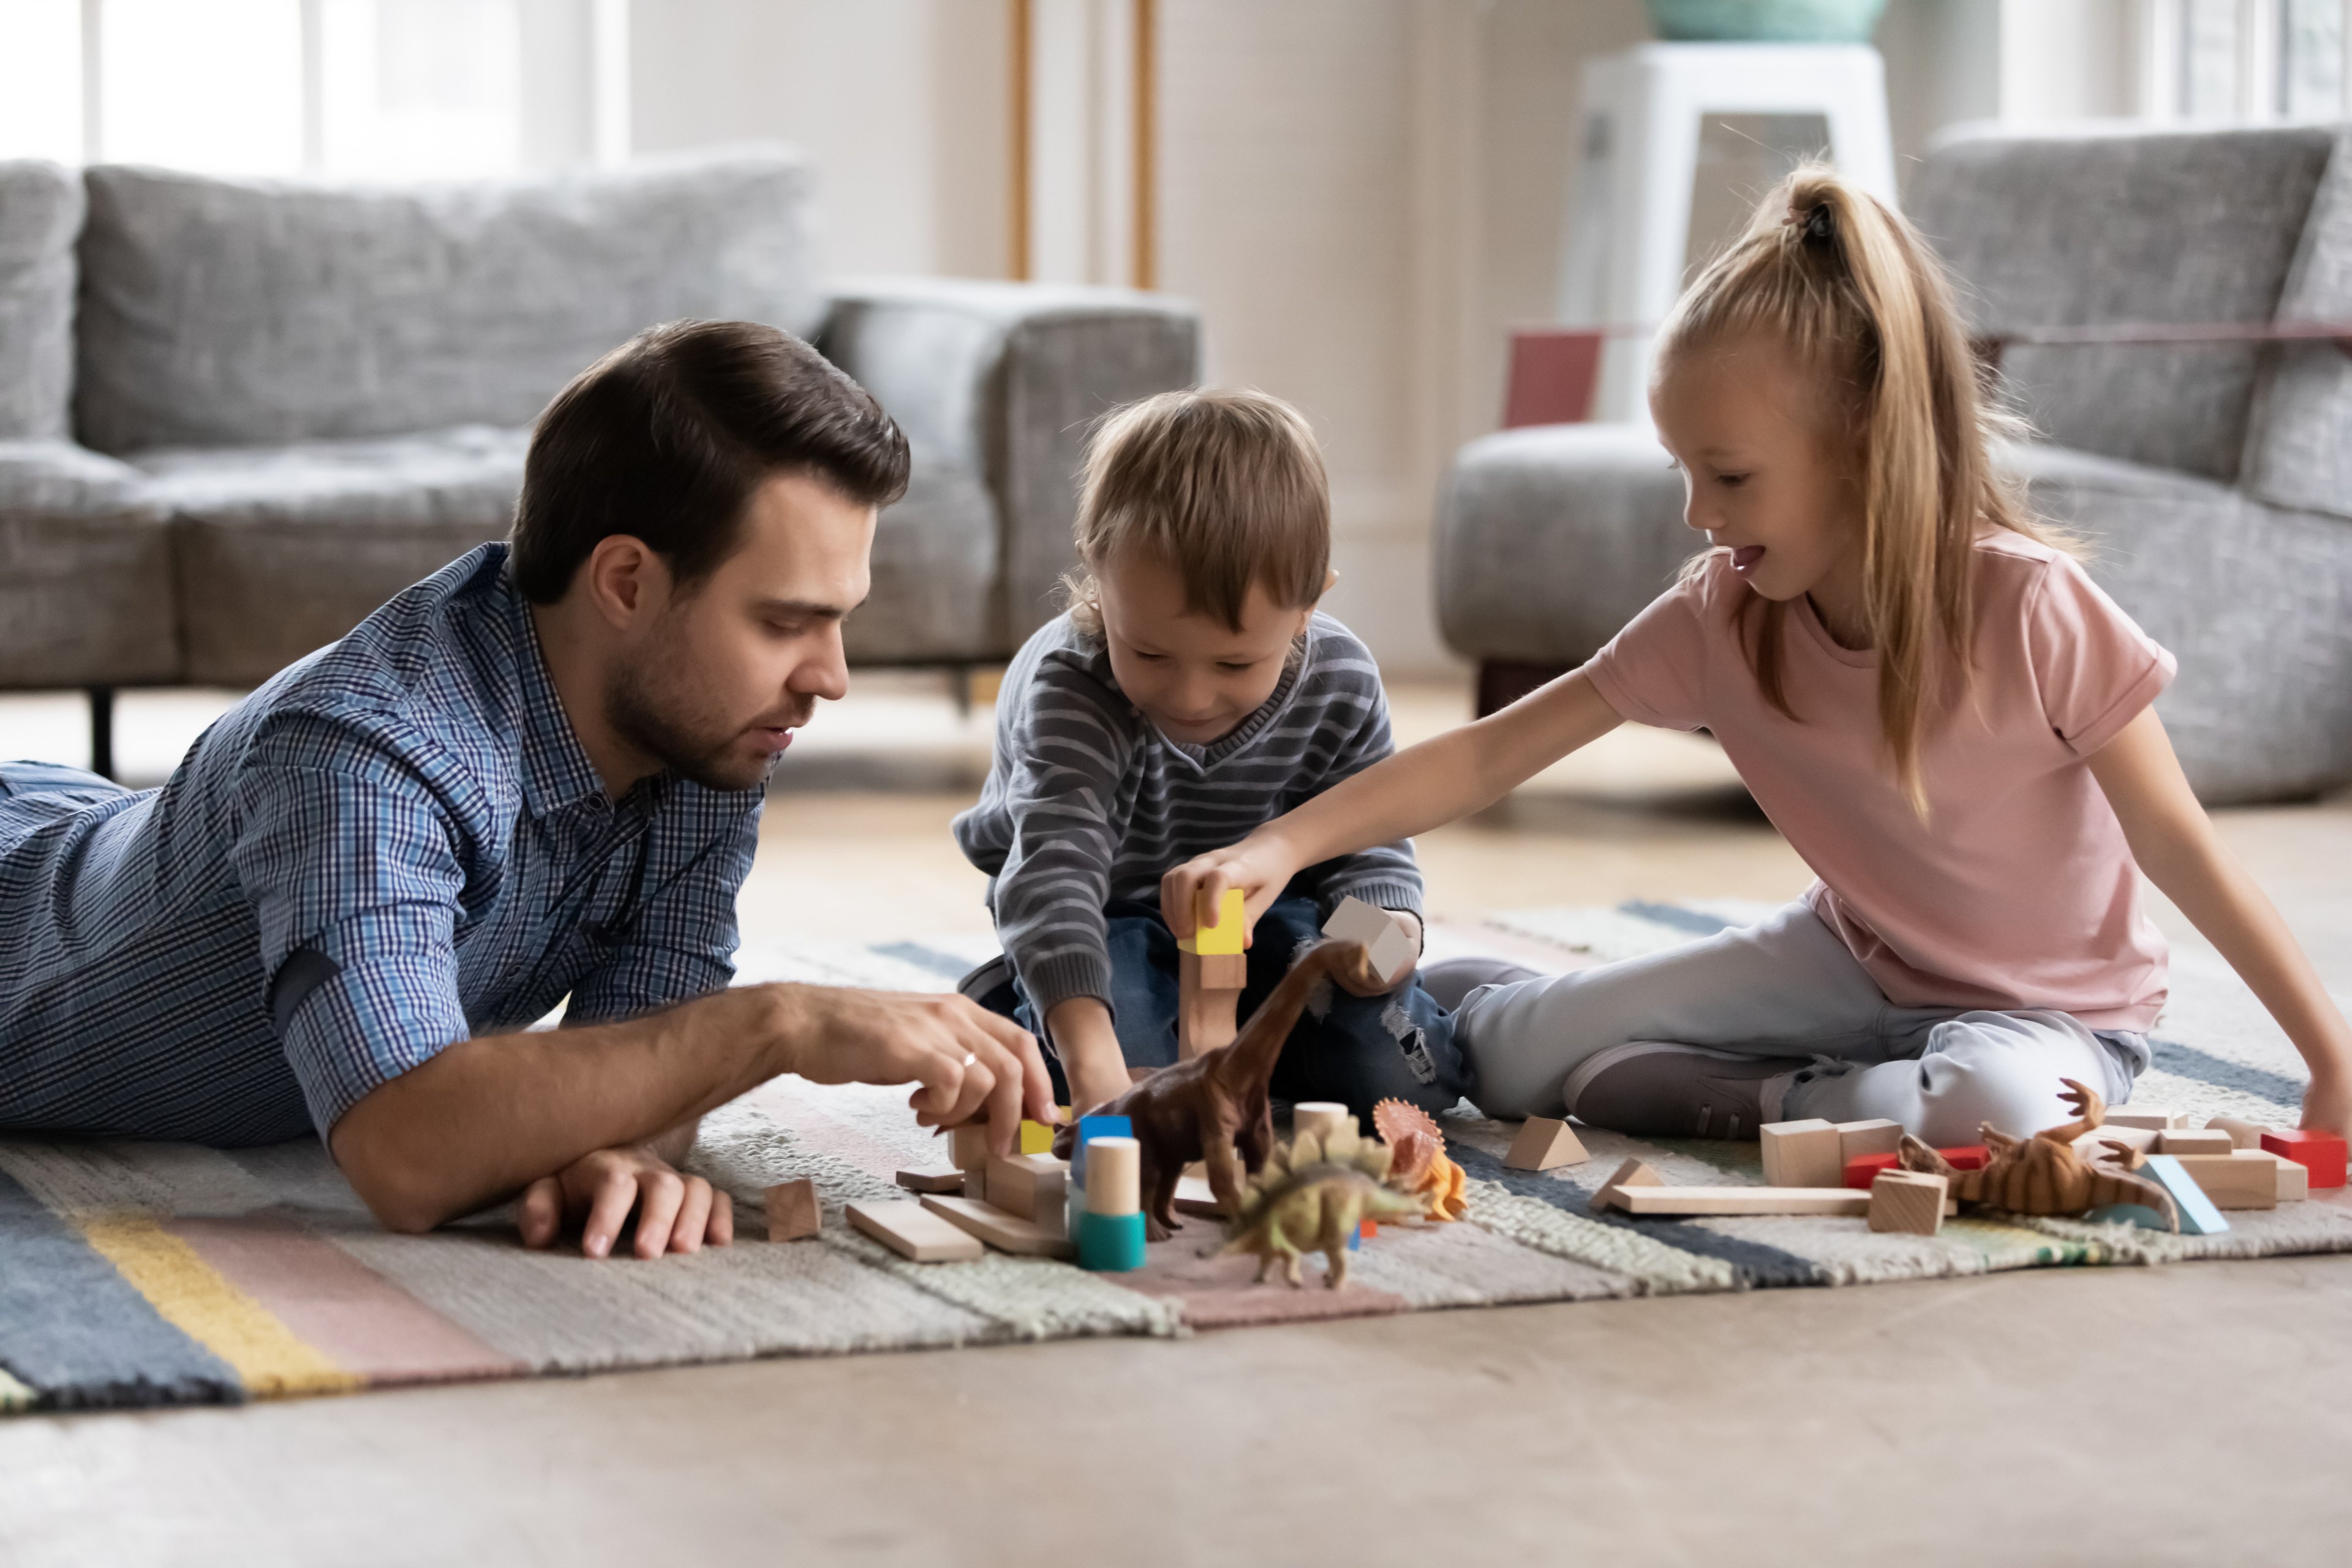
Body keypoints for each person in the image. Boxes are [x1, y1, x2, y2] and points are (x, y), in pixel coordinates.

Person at [1161, 167, 2352, 1146]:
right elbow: (1495, 752)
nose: (1697, 511)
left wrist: (2328, 1053)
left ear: (1865, 442)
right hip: (1851, 960)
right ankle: (1546, 1011)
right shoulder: (1725, 613)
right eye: (1684, 469)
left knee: (2006, 1117)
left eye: (1728, 475)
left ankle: (1759, 1099)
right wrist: (1282, 843)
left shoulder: (2031, 606)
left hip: (2053, 1017)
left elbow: (2178, 842)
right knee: (1501, 1061)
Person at [0, 320, 1054, 1258]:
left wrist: (611, 1150)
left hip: (86, 827)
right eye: (784, 622)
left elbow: (649, 1023)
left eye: (839, 619)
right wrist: (774, 1024)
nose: (830, 677)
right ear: (628, 584)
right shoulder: (362, 754)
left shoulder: (706, 735)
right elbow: (404, 1147)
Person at [951, 389, 1466, 1121]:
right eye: (1150, 652)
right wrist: (1100, 1073)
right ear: (1099, 574)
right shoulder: (1072, 684)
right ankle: (1020, 995)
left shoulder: (1340, 680)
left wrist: (1390, 939)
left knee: (1401, 1082)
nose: (1190, 697)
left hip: (1274, 917)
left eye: (1233, 665)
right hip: (1107, 915)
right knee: (1103, 1080)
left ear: (1310, 603)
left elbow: (1368, 842)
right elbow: (1055, 875)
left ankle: (1410, 1015)